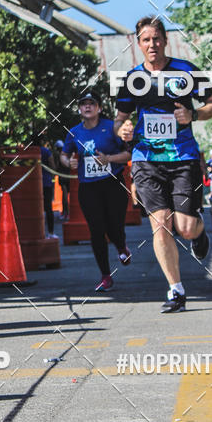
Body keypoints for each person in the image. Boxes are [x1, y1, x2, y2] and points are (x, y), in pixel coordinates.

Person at [113, 16, 212, 313]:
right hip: (146, 160)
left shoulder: (186, 70)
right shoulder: (132, 79)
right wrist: (122, 130)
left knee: (184, 228)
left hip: (182, 157)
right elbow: (120, 121)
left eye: (157, 39)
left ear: (165, 40)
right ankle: (176, 290)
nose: (152, 45)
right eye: (146, 40)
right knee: (161, 225)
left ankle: (199, 232)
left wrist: (194, 116)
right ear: (138, 44)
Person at [61, 90, 132, 291]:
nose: (88, 107)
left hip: (112, 183)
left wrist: (108, 159)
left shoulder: (111, 127)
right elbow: (64, 155)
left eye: (92, 103)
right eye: (84, 104)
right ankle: (105, 275)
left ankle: (121, 245)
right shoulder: (74, 132)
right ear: (79, 109)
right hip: (89, 187)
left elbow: (128, 153)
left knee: (114, 225)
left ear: (99, 108)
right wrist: (70, 162)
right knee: (96, 229)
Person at [53, 139, 70, 219]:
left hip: (62, 177)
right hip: (69, 177)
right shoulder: (68, 154)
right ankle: (66, 213)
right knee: (67, 196)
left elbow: (56, 167)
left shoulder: (58, 156)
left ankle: (65, 213)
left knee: (65, 196)